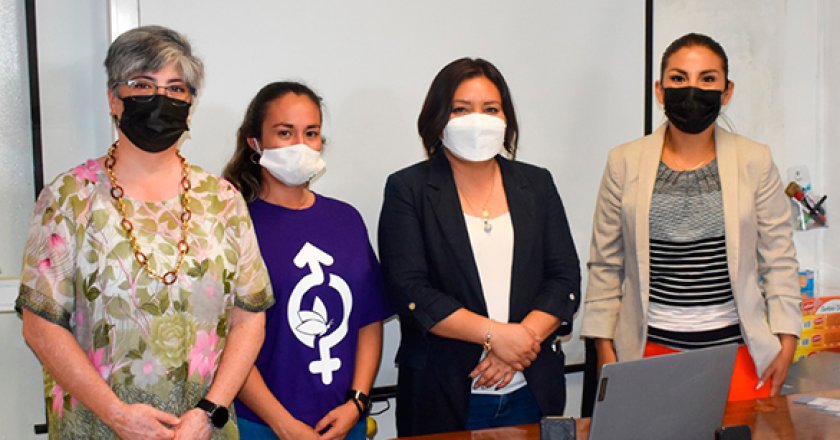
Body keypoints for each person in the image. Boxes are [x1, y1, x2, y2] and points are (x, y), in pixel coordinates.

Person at [16, 26, 273, 440]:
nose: (160, 99)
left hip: (201, 429)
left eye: (176, 88)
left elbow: (249, 318)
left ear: (190, 104)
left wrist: (209, 411)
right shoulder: (68, 198)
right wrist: (117, 415)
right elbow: (40, 325)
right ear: (113, 99)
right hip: (99, 426)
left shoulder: (222, 200)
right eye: (142, 85)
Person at [581, 33, 801, 401]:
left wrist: (787, 338)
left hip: (739, 355)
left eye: (707, 79)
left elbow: (779, 258)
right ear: (660, 89)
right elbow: (606, 264)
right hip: (646, 353)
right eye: (679, 78)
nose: (692, 89)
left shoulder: (755, 160)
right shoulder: (623, 162)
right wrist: (604, 347)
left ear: (727, 92)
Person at [378, 58, 581, 436]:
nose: (477, 120)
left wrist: (519, 345)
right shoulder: (408, 189)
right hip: (443, 394)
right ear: (438, 119)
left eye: (490, 109)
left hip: (532, 390)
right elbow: (410, 290)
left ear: (506, 119)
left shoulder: (536, 183)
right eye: (461, 109)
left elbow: (563, 277)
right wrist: (496, 336)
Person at [223, 82, 392, 440]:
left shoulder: (346, 219)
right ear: (255, 142)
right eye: (285, 133)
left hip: (343, 422)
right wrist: (282, 424)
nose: (300, 145)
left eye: (311, 133)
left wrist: (357, 402)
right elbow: (226, 339)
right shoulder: (234, 225)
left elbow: (368, 320)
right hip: (261, 426)